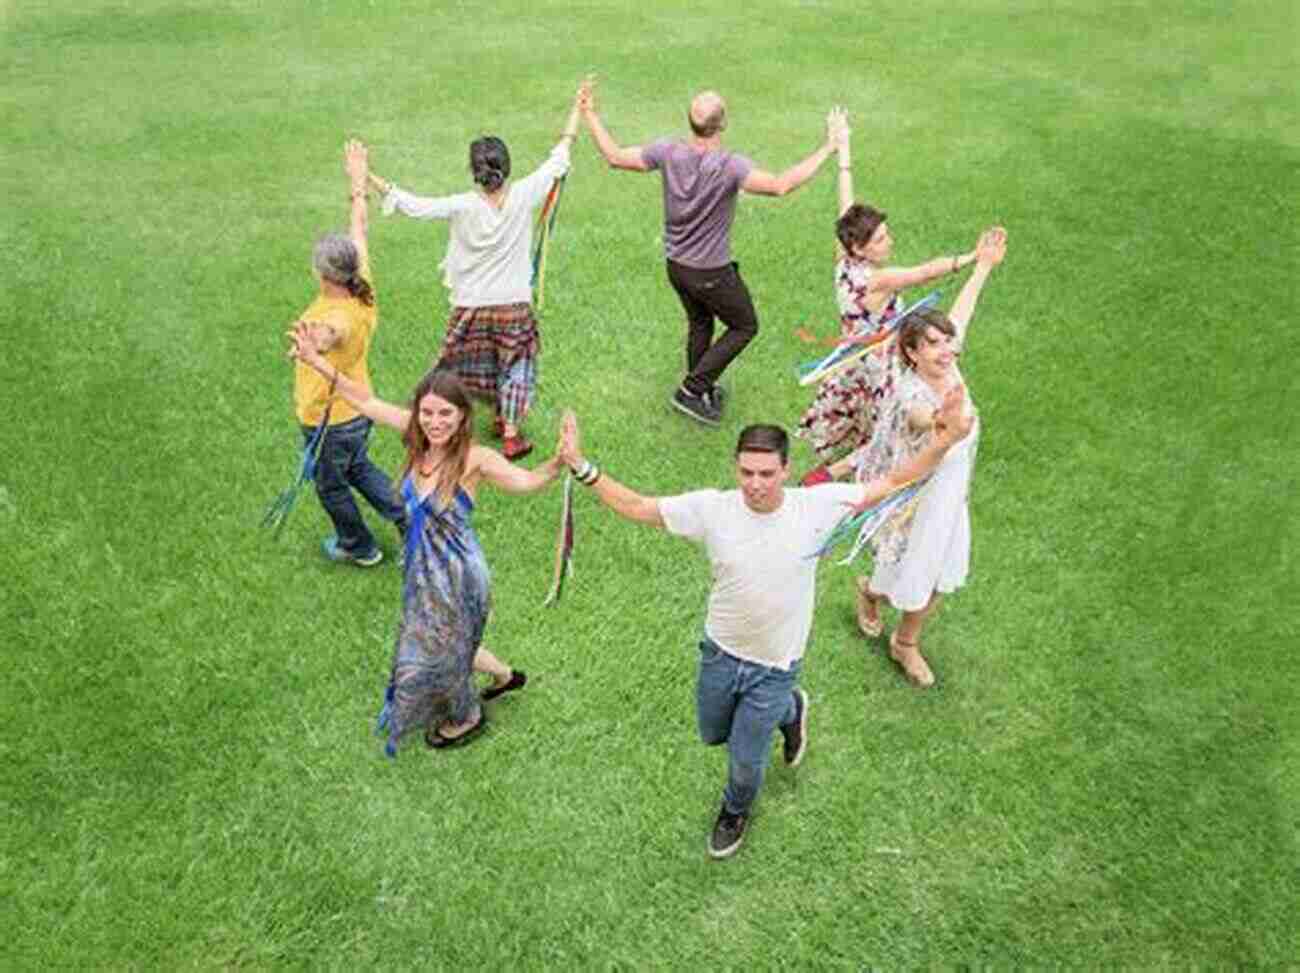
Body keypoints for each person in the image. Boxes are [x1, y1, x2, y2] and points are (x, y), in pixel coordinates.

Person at [557, 394, 973, 858]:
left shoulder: (817, 506)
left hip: (774, 666)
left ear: (786, 469)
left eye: (767, 474)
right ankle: (792, 712)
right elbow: (637, 506)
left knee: (744, 757)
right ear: (736, 469)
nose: (756, 484)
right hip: (720, 653)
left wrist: (944, 441)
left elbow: (895, 479)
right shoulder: (712, 510)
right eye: (747, 473)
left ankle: (735, 810)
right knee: (713, 732)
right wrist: (580, 465)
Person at [290, 326, 567, 753]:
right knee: (445, 639)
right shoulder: (415, 437)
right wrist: (315, 361)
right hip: (422, 568)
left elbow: (527, 482)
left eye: (445, 415)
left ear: (461, 417)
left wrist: (558, 462)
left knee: (444, 645)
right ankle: (505, 676)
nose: (435, 423)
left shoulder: (477, 459)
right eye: (428, 413)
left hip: (457, 575)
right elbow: (362, 398)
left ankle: (467, 715)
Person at [579, 79, 847, 426]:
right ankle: (692, 389)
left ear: (690, 123)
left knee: (701, 322)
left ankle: (701, 393)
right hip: (710, 272)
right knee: (744, 325)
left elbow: (614, 157)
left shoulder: (667, 151)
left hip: (676, 266)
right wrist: (829, 147)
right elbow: (781, 185)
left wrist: (588, 113)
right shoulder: (729, 166)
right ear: (722, 124)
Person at [366, 89, 584, 460]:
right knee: (516, 365)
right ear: (506, 167)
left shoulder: (462, 206)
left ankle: (429, 417)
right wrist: (578, 109)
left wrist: (366, 177)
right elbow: (560, 155)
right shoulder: (525, 194)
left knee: (452, 367)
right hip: (514, 305)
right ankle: (511, 433)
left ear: (475, 172)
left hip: (470, 305)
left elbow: (414, 206)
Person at [852, 227, 1008, 688]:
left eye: (948, 342)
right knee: (905, 573)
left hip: (951, 495)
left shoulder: (949, 365)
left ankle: (905, 641)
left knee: (941, 575)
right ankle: (870, 593)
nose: (947, 350)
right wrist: (945, 421)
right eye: (935, 344)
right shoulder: (910, 391)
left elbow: (963, 312)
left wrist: (982, 265)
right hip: (915, 500)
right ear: (912, 353)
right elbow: (922, 420)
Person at [796, 125, 989, 486]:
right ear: (860, 248)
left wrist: (845, 156)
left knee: (868, 415)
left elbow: (846, 209)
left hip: (854, 352)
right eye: (881, 239)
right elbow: (922, 273)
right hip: (881, 360)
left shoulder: (845, 261)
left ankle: (831, 469)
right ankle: (833, 474)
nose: (889, 241)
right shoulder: (876, 281)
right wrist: (973, 258)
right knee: (890, 426)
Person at [292, 139, 407, 567]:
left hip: (331, 419)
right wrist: (357, 183)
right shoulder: (363, 287)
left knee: (330, 484)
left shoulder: (339, 317)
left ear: (324, 274)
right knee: (357, 469)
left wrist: (312, 344)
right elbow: (359, 225)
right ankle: (409, 518)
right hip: (357, 412)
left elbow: (333, 334)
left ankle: (359, 545)